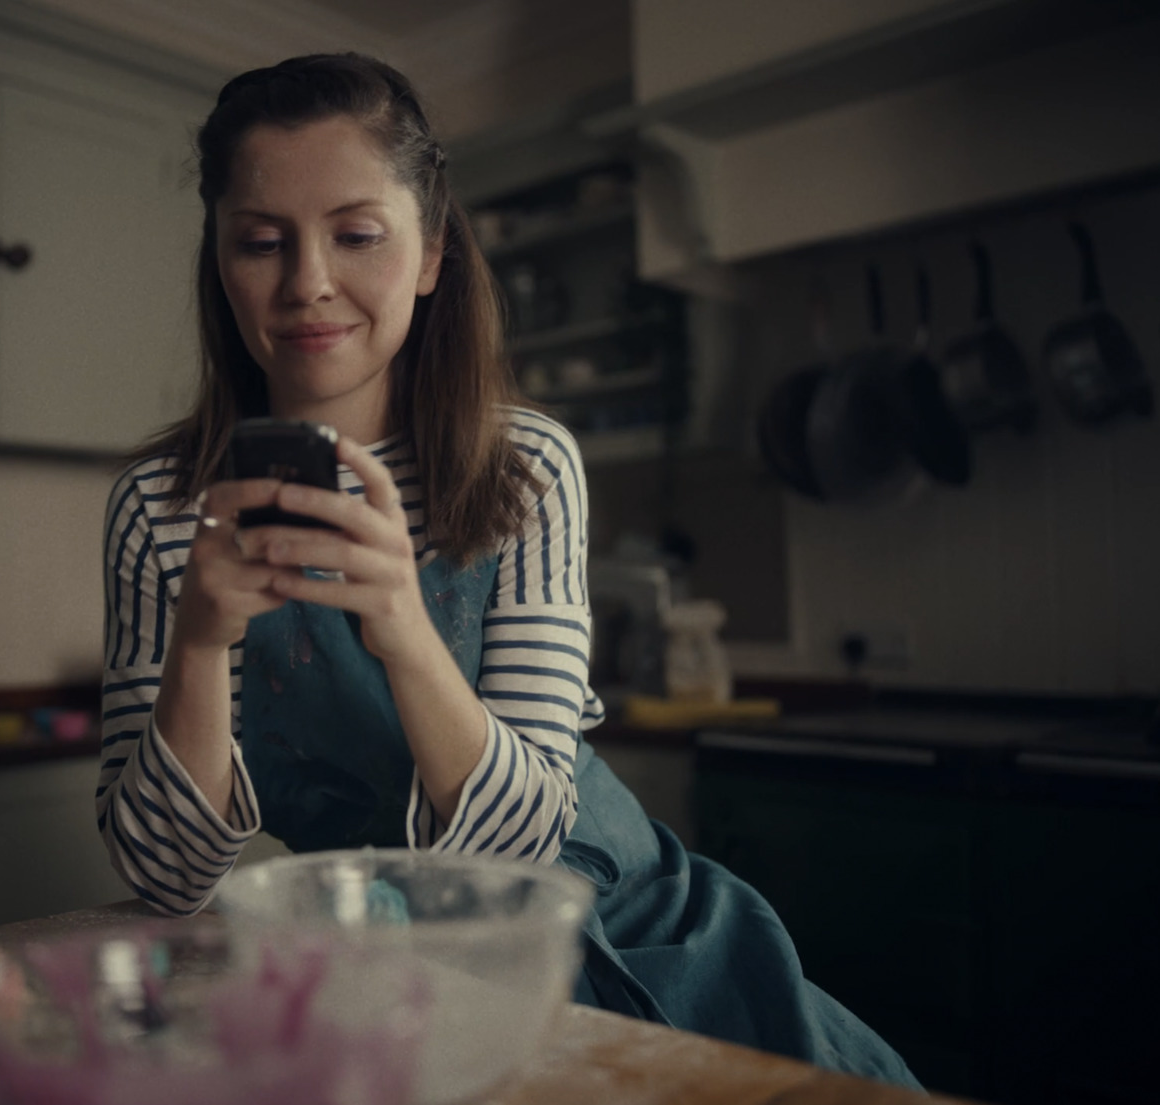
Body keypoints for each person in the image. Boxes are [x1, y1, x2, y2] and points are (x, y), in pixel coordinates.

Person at [96, 53, 920, 1089]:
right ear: (218, 261)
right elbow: (164, 879)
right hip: (389, 972)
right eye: (262, 241)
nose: (307, 280)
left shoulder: (524, 466)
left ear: (432, 251)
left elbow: (525, 844)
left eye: (356, 235)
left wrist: (400, 623)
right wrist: (201, 640)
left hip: (633, 932)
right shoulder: (161, 511)